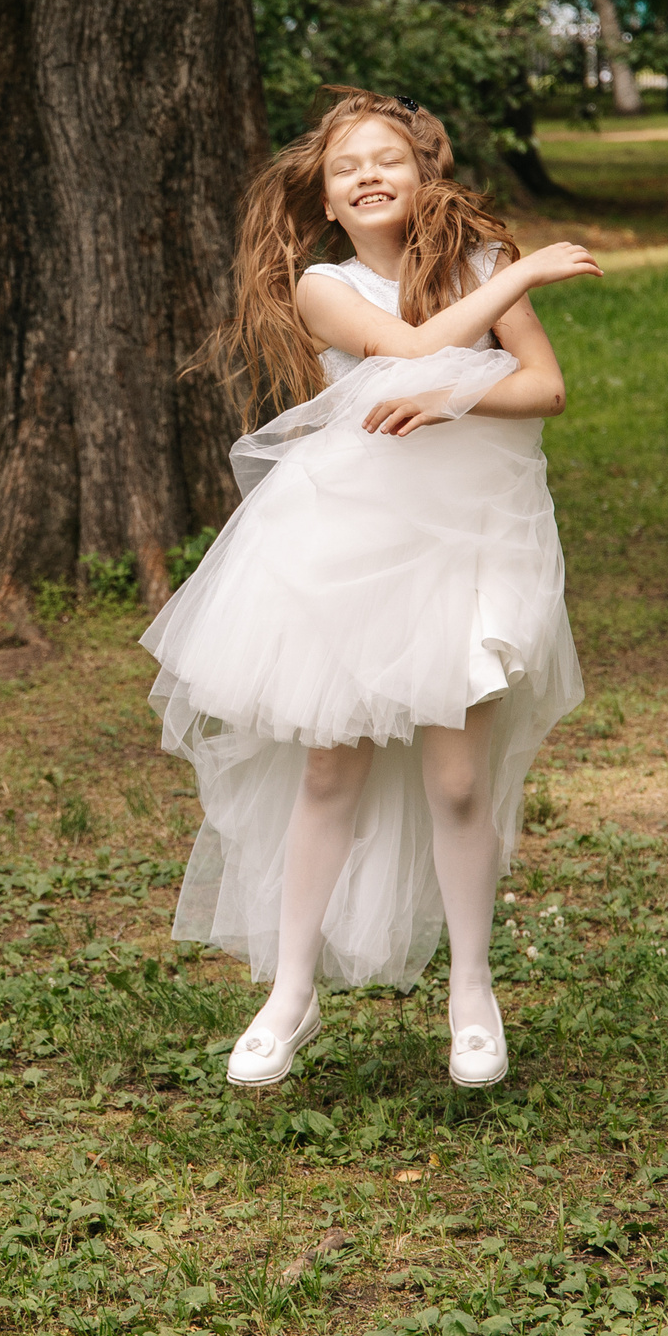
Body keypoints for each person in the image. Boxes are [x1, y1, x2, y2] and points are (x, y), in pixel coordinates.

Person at [142, 87, 597, 1089]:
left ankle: (471, 992)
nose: (367, 177)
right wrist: (513, 281)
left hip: (471, 540)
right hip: (350, 540)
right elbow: (403, 356)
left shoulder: (474, 269)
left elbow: (542, 388)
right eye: (346, 169)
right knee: (328, 771)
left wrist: (449, 401)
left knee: (457, 778)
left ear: (421, 173)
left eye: (386, 158)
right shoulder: (322, 285)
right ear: (328, 200)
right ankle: (289, 993)